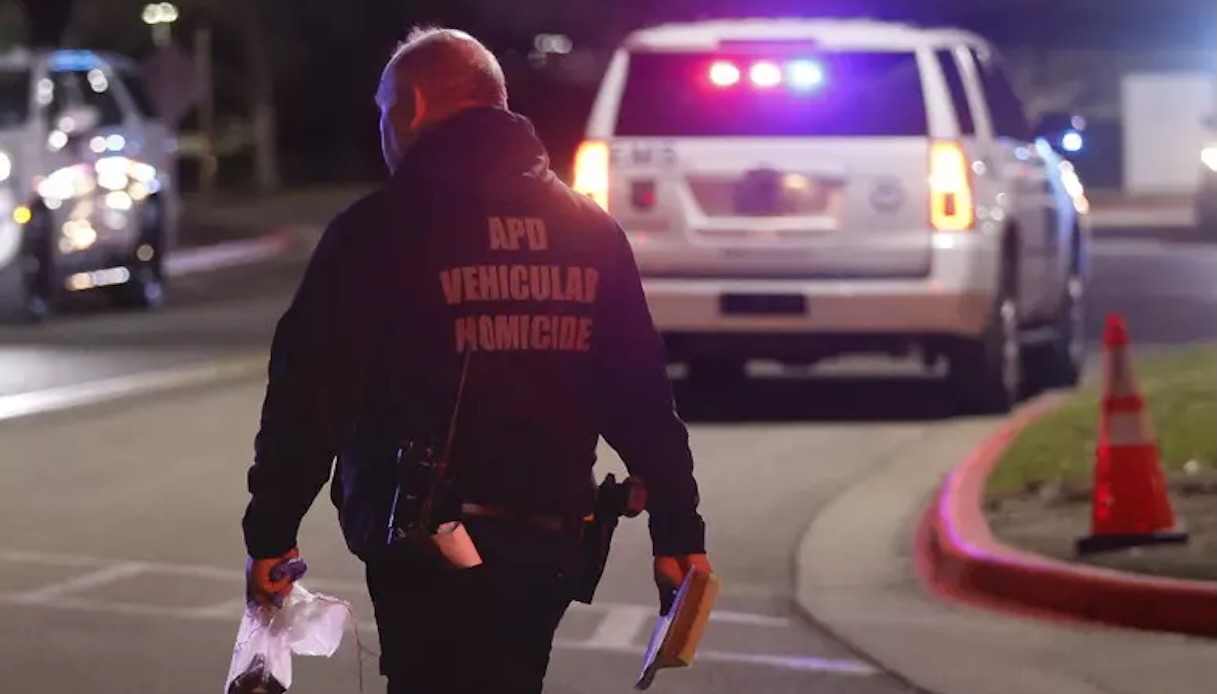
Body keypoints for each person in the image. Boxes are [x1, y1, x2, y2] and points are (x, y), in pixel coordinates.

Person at [240, 26, 711, 694]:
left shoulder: (379, 230)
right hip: (550, 544)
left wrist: (271, 532)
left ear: (415, 108)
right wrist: (678, 532)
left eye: (386, 113)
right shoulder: (588, 230)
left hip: (419, 545)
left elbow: (310, 395)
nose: (383, 132)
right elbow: (640, 396)